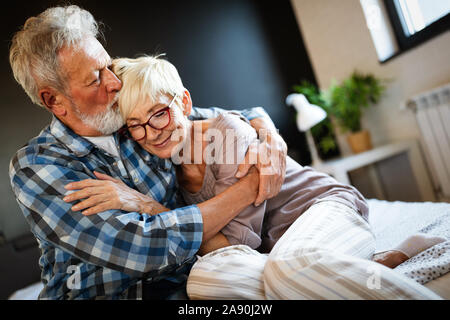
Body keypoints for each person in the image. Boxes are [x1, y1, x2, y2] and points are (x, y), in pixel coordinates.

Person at [66, 55, 444, 300]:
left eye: (159, 114)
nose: (152, 133)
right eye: (136, 125)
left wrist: (148, 206)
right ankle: (371, 265)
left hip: (322, 211)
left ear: (183, 103)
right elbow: (223, 260)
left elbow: (229, 247)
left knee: (288, 268)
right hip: (278, 249)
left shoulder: (226, 134)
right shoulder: (169, 168)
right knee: (203, 284)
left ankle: (375, 267)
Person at [8, 5, 288, 300]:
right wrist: (251, 187)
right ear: (54, 100)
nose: (115, 84)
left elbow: (228, 115)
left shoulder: (133, 117)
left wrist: (271, 137)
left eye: (109, 67)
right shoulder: (37, 165)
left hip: (189, 286)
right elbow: (144, 249)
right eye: (95, 79)